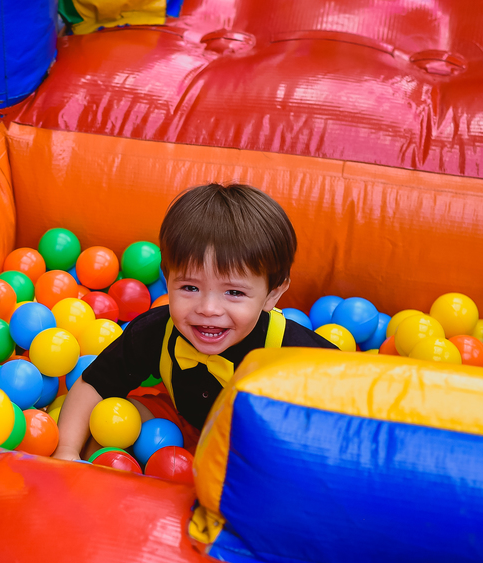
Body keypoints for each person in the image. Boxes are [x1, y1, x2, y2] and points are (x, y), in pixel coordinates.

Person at [52, 183, 336, 461]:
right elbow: (94, 384)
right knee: (108, 422)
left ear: (272, 294)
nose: (209, 309)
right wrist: (65, 451)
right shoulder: (155, 331)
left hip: (254, 450)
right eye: (190, 288)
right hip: (177, 429)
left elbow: (351, 400)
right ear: (167, 279)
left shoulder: (295, 351)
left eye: (234, 292)